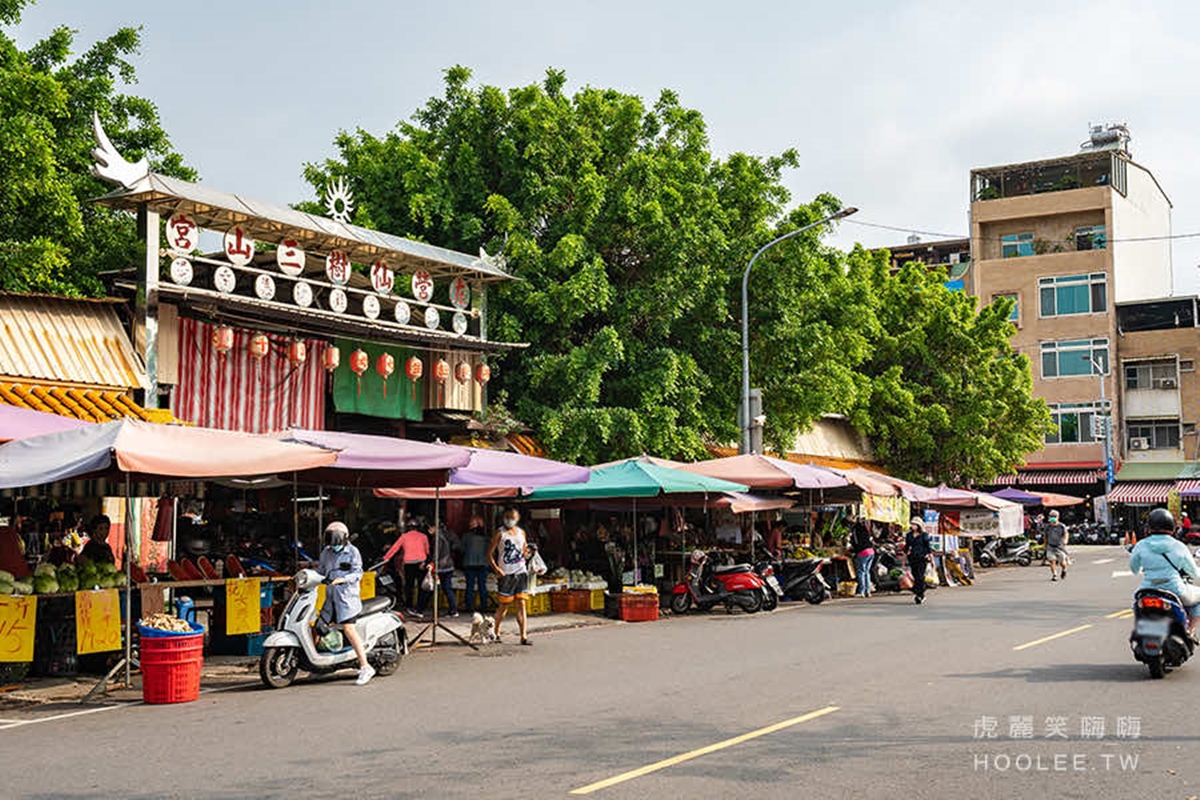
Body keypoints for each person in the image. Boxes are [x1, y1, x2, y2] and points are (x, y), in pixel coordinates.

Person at [318, 522, 374, 685]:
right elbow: (321, 570)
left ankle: (365, 667)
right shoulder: (326, 552)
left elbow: (358, 572)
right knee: (319, 626)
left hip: (346, 599)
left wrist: (343, 579)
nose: (333, 547)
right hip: (330, 597)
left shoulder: (353, 552)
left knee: (349, 629)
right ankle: (320, 665)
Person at [1129, 508, 1200, 638]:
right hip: (1176, 590)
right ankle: (1190, 630)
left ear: (1149, 527)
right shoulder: (1179, 546)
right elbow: (1194, 573)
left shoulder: (1140, 545)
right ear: (1172, 527)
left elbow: (1134, 569)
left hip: (1147, 589)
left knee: (1136, 605)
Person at [489, 507, 532, 645]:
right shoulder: (500, 533)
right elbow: (489, 554)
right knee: (504, 605)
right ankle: (495, 632)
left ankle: (523, 636)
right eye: (507, 517)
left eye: (512, 517)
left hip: (521, 572)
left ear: (518, 518)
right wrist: (496, 569)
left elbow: (525, 551)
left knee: (522, 603)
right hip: (506, 573)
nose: (509, 520)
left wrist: (529, 555)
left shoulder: (521, 533)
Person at [418, 521, 459, 618]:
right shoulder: (444, 534)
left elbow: (436, 553)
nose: (429, 531)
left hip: (441, 567)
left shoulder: (437, 538)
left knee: (429, 588)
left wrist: (432, 564)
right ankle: (453, 611)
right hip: (447, 566)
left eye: (430, 528)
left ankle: (419, 609)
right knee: (446, 588)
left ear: (434, 527)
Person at [390, 518, 431, 613]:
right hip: (421, 563)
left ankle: (409, 606)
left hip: (409, 564)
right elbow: (427, 551)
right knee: (422, 586)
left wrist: (385, 558)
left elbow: (395, 548)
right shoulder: (424, 536)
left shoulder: (404, 536)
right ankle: (420, 607)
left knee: (409, 586)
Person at [461, 514, 492, 613]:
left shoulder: (466, 536)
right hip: (483, 564)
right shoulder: (486, 537)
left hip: (470, 564)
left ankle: (469, 606)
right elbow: (490, 550)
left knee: (469, 586)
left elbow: (462, 549)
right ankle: (484, 606)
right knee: (482, 586)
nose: (469, 523)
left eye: (472, 521)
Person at [904, 517, 932, 605]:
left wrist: (930, 558)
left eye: (914, 524)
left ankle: (920, 594)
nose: (912, 526)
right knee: (915, 575)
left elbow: (928, 547)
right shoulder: (909, 535)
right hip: (912, 557)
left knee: (920, 575)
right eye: (912, 524)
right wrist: (905, 555)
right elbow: (907, 546)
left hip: (922, 558)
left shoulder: (924, 535)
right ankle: (920, 591)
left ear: (919, 525)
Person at [849, 521, 875, 598]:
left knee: (861, 572)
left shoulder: (855, 530)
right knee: (867, 572)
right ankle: (868, 591)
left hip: (863, 552)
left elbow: (856, 543)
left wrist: (853, 550)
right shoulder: (865, 529)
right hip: (871, 551)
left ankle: (861, 591)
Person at [1044, 510, 1070, 581]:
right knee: (1052, 561)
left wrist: (1065, 540)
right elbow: (1045, 537)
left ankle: (1064, 570)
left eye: (1054, 516)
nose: (1053, 518)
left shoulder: (1061, 526)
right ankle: (1054, 575)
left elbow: (1066, 534)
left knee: (1062, 563)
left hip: (1060, 547)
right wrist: (1045, 546)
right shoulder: (1048, 527)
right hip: (1050, 547)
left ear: (1058, 517)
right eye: (1051, 516)